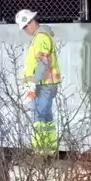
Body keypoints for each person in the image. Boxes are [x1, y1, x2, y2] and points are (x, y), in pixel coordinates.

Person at [16, 9, 61, 153]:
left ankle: (41, 150)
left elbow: (43, 62)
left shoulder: (41, 37)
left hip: (43, 85)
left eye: (24, 27)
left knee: (39, 117)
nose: (24, 31)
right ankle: (48, 149)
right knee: (46, 118)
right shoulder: (40, 36)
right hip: (45, 84)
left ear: (29, 23)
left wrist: (33, 83)